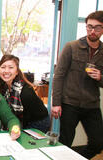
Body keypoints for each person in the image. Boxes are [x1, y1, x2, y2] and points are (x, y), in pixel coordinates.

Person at [52, 10, 103, 159]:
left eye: (97, 27)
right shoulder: (71, 47)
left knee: (98, 143)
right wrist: (56, 103)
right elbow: (59, 76)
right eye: (89, 26)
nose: (92, 31)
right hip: (69, 104)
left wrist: (100, 77)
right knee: (65, 142)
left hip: (92, 105)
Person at [0, 55, 50, 133]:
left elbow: (26, 117)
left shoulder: (25, 92)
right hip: (23, 120)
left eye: (11, 67)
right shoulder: (3, 85)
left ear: (17, 71)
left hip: (37, 122)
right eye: (3, 67)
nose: (6, 71)